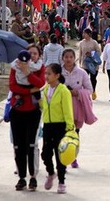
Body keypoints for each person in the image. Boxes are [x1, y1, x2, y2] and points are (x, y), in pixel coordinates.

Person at [9, 44, 46, 191]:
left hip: (33, 111)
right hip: (17, 111)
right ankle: (21, 177)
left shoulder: (39, 68)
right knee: (18, 145)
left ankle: (33, 177)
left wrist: (27, 73)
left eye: (35, 54)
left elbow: (41, 83)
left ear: (38, 56)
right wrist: (30, 90)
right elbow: (12, 86)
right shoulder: (15, 66)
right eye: (29, 53)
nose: (32, 56)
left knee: (32, 145)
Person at [40, 63, 74, 194]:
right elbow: (43, 106)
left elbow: (68, 110)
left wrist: (70, 127)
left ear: (57, 75)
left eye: (49, 73)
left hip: (60, 126)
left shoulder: (63, 90)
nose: (46, 76)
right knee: (45, 153)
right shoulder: (45, 89)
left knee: (60, 155)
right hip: (48, 125)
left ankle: (61, 181)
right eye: (45, 73)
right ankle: (50, 172)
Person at [61, 48, 96, 169]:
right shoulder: (58, 72)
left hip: (77, 109)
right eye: (66, 57)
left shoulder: (82, 73)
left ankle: (73, 157)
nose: (68, 59)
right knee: (63, 135)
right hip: (62, 109)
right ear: (63, 58)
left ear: (74, 58)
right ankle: (63, 159)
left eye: (71, 57)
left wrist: (78, 93)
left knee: (75, 134)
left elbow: (89, 90)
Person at [78, 29, 102, 96]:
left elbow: (99, 52)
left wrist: (91, 54)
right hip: (85, 64)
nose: (84, 35)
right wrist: (80, 62)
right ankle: (85, 93)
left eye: (85, 33)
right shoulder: (82, 43)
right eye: (83, 33)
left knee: (93, 78)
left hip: (93, 64)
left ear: (89, 34)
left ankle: (93, 91)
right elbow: (80, 53)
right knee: (84, 79)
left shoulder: (94, 42)